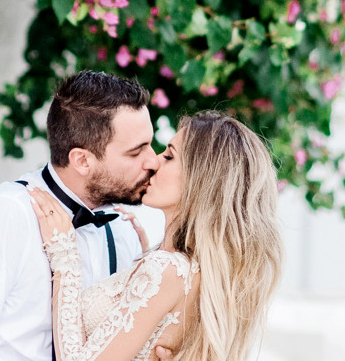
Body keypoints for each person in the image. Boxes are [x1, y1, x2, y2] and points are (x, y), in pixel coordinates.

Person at [0, 70, 168, 361]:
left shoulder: (123, 229)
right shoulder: (5, 215)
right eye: (135, 152)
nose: (153, 161)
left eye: (150, 144)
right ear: (82, 160)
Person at [28, 110, 283, 361]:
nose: (154, 162)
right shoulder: (192, 269)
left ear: (200, 180)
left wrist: (65, 258)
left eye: (169, 156)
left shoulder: (166, 269)